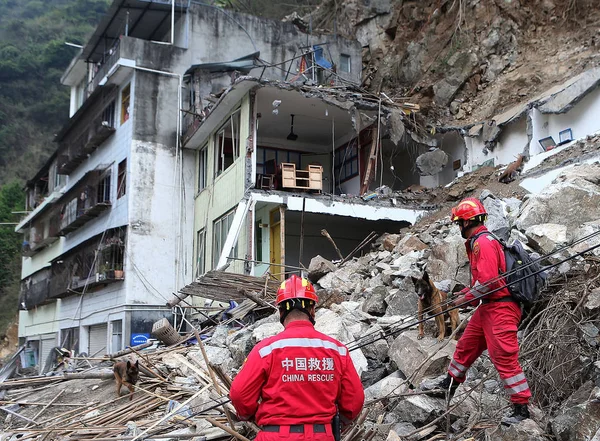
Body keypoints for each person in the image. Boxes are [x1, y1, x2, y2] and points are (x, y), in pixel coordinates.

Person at [432, 197, 532, 425]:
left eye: (459, 223)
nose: (458, 227)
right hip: (488, 307)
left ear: (466, 222)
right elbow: (483, 282)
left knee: (504, 358)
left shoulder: (483, 243)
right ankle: (449, 385)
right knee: (466, 345)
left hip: (501, 308)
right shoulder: (481, 241)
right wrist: (465, 295)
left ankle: (521, 409)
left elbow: (489, 283)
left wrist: (465, 298)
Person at [229, 274, 364, 441]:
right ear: (312, 310)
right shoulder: (337, 350)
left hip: (275, 436)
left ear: (280, 312)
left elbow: (239, 394)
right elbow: (354, 401)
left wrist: (251, 416)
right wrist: (336, 425)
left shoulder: (265, 350)